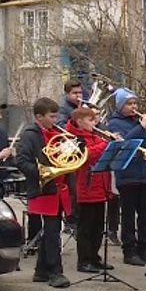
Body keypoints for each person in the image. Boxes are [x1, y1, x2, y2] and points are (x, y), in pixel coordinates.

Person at [15, 98, 72, 289]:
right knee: (52, 232)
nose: (55, 120)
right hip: (42, 189)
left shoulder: (56, 133)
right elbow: (22, 162)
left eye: (56, 116)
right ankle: (55, 273)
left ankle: (41, 272)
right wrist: (44, 173)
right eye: (52, 116)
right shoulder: (30, 136)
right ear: (39, 117)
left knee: (51, 231)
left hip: (58, 189)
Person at [105, 88, 146, 267]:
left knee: (145, 214)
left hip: (145, 174)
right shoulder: (114, 124)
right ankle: (129, 251)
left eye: (134, 103)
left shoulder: (140, 122)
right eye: (129, 104)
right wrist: (142, 128)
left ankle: (144, 249)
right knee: (129, 215)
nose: (133, 107)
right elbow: (123, 144)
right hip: (127, 176)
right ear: (121, 105)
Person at [66, 107, 116, 274]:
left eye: (95, 120)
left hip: (100, 187)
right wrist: (106, 144)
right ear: (80, 122)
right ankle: (84, 260)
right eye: (90, 120)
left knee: (98, 227)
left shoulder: (95, 136)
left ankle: (94, 257)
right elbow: (86, 155)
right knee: (85, 228)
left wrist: (113, 145)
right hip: (85, 188)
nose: (94, 124)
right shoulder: (74, 139)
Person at [56, 78, 83, 232]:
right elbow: (60, 127)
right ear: (67, 94)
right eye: (74, 93)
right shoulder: (62, 108)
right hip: (68, 152)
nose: (78, 96)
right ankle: (71, 220)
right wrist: (77, 115)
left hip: (82, 150)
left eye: (80, 92)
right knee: (73, 187)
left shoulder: (83, 106)